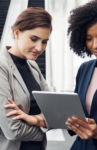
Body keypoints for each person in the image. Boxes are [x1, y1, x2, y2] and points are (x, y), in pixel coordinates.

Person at [0, 7, 52, 150]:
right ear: (17, 32)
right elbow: (13, 130)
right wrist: (43, 125)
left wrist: (34, 119)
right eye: (34, 39)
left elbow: (53, 111)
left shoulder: (33, 67)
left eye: (44, 41)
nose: (39, 47)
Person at [65, 0, 97, 150]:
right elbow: (77, 110)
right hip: (80, 146)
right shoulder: (85, 69)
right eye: (89, 38)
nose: (94, 45)